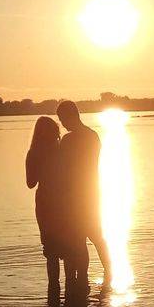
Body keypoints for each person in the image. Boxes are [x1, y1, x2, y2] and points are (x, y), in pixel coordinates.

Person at [25, 116, 87, 290]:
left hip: (45, 204)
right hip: (65, 203)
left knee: (51, 250)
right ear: (55, 132)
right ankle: (72, 287)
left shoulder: (33, 154)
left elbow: (30, 183)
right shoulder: (62, 151)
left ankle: (53, 289)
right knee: (68, 246)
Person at [55, 100, 112, 282]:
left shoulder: (69, 140)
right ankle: (107, 272)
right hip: (92, 192)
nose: (62, 124)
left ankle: (82, 278)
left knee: (80, 239)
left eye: (62, 119)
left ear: (71, 116)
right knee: (95, 236)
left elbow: (62, 168)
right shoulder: (93, 136)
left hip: (76, 196)